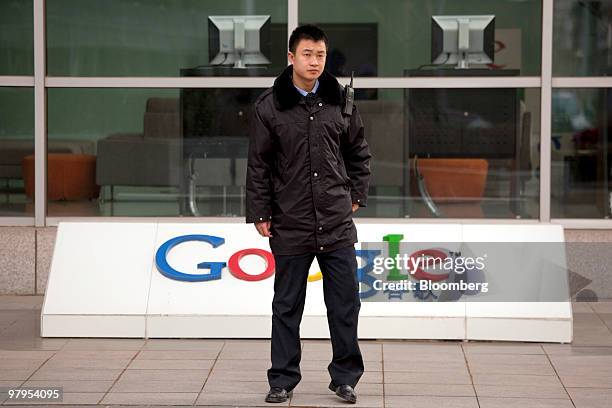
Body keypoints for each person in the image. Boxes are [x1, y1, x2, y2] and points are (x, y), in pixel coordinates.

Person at [245, 24, 372, 404]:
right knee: (286, 305)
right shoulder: (269, 106)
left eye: (320, 55)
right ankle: (282, 379)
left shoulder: (342, 102)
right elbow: (259, 165)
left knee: (345, 301)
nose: (314, 61)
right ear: (291, 57)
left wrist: (356, 196)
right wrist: (260, 211)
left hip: (335, 220)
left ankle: (345, 377)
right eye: (307, 54)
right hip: (290, 219)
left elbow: (359, 154)